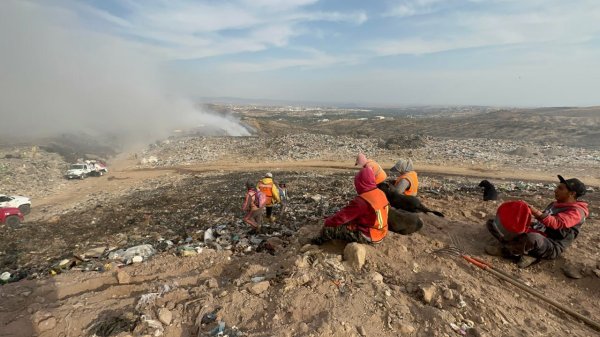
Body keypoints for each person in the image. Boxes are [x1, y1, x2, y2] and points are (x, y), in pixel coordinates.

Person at [486, 175, 589, 268]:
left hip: (550, 245)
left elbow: (557, 223)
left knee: (532, 238)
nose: (555, 190)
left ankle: (507, 251)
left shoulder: (577, 212)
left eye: (560, 188)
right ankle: (524, 252)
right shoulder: (555, 204)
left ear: (572, 193)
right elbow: (541, 223)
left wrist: (534, 211)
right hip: (538, 232)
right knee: (493, 223)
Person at [312, 167, 390, 245]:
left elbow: (342, 218)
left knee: (329, 229)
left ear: (360, 183)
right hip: (381, 232)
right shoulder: (380, 193)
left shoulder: (362, 201)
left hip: (369, 236)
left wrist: (327, 221)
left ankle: (316, 244)